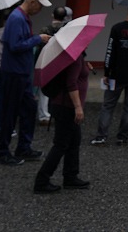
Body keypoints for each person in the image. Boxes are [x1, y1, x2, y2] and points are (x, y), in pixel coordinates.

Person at [0, 0, 52, 166]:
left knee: (28, 109)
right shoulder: (17, 18)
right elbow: (15, 45)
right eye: (40, 6)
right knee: (10, 113)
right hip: (14, 73)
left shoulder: (20, 17)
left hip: (21, 72)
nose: (40, 10)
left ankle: (23, 147)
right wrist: (37, 39)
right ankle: (3, 152)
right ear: (32, 2)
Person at [34, 42, 91, 193]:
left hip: (63, 105)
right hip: (66, 107)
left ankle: (71, 176)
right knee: (61, 144)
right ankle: (41, 181)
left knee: (74, 141)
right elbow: (71, 83)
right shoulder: (75, 57)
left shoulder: (72, 56)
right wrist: (78, 107)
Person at [92, 6, 128, 146]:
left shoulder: (117, 28)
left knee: (108, 105)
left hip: (116, 74)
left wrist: (106, 71)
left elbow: (110, 51)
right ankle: (122, 137)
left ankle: (101, 136)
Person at [37, 6, 72, 125]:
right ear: (65, 17)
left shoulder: (45, 29)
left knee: (44, 90)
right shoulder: (66, 30)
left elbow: (39, 47)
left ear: (52, 15)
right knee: (60, 88)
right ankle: (57, 113)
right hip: (61, 63)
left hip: (46, 61)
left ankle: (44, 116)